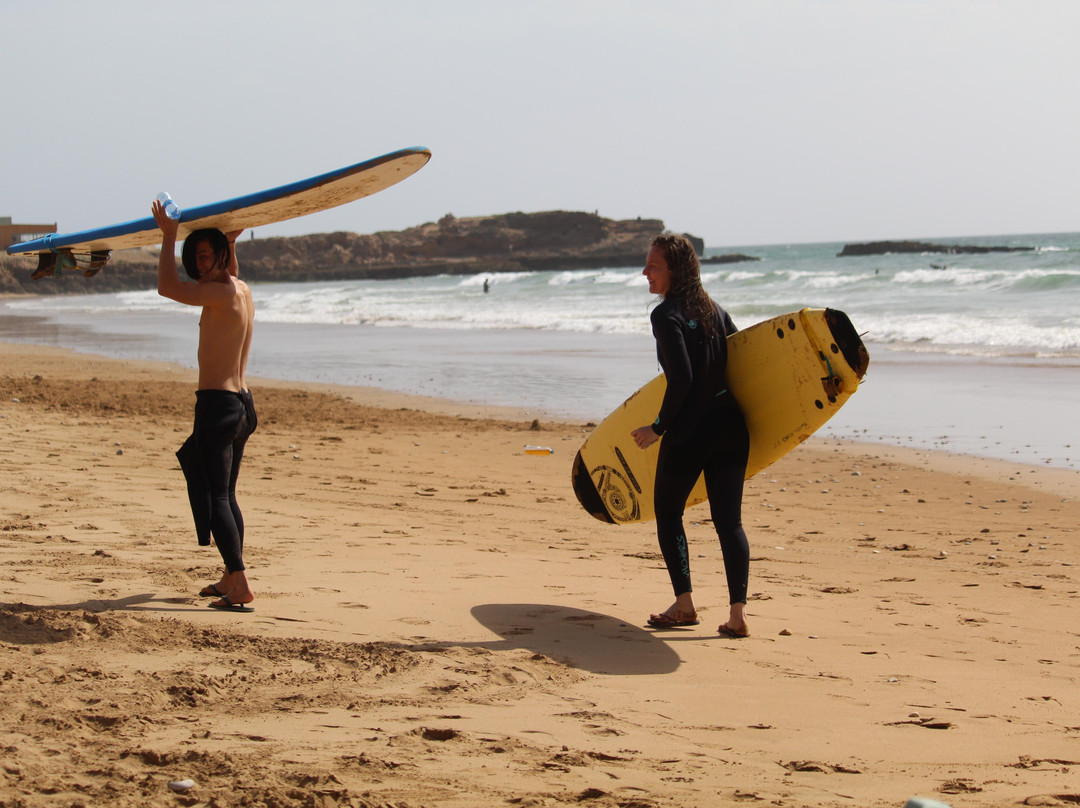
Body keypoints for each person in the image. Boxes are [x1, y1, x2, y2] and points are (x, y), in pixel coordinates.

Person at [630, 233, 751, 638]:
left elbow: (681, 379)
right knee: (729, 522)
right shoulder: (714, 309)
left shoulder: (665, 316)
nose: (645, 271)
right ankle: (737, 617)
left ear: (675, 270)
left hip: (692, 432)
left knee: (668, 513)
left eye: (653, 265)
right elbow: (743, 356)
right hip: (732, 427)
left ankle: (685, 606)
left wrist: (658, 427)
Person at [152, 200, 257, 613]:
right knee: (226, 495)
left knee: (215, 497)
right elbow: (231, 273)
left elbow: (167, 287)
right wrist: (229, 244)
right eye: (194, 257)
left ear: (219, 258)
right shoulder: (240, 289)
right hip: (243, 407)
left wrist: (167, 235)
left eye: (204, 255)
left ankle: (241, 582)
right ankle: (230, 576)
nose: (197, 265)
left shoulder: (216, 294)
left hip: (218, 407)